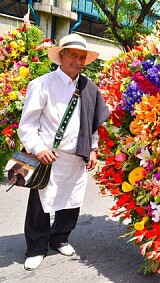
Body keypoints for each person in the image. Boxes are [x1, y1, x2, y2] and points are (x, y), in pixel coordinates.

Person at [18, 33, 110, 271]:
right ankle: (37, 247)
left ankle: (60, 238)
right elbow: (27, 125)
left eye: (82, 57)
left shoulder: (88, 87)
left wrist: (92, 149)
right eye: (73, 55)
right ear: (61, 55)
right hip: (47, 157)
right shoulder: (41, 84)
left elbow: (92, 124)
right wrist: (38, 149)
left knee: (71, 200)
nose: (78, 61)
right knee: (41, 203)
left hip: (76, 157)